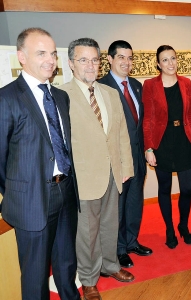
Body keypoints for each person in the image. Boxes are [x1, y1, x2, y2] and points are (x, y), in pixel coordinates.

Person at [0, 28, 80, 300]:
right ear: (21, 56)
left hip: (66, 192)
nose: (50, 60)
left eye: (53, 53)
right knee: (35, 278)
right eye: (41, 53)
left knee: (67, 265)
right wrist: (19, 191)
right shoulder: (6, 98)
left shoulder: (60, 97)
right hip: (31, 201)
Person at [60, 38, 134, 300]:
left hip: (113, 173)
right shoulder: (61, 95)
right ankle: (89, 278)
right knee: (86, 234)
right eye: (83, 60)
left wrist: (125, 166)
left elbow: (121, 133)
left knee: (109, 225)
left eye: (94, 59)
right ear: (70, 63)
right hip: (84, 178)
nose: (90, 65)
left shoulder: (110, 93)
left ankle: (110, 265)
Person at [98, 40, 152, 269]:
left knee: (135, 202)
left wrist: (148, 149)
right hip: (117, 160)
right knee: (117, 207)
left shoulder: (137, 86)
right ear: (109, 59)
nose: (126, 62)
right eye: (121, 57)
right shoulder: (101, 87)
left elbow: (141, 124)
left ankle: (131, 241)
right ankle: (118, 249)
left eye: (130, 58)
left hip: (137, 157)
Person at [142, 45, 191, 249]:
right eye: (165, 60)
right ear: (158, 64)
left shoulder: (186, 83)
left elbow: (190, 116)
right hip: (162, 142)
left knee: (186, 189)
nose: (170, 63)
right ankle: (169, 229)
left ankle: (183, 226)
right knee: (164, 188)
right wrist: (149, 148)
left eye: (173, 58)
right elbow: (147, 119)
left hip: (183, 140)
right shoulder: (150, 85)